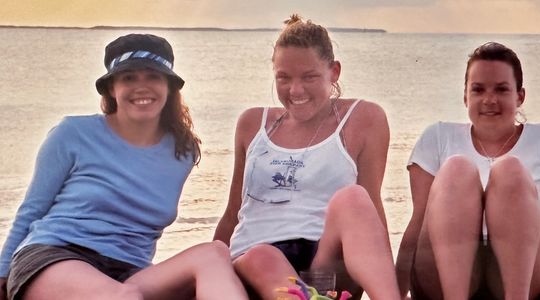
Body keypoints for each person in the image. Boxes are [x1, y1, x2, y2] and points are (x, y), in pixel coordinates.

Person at [0, 33, 248, 300]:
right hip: (55, 256)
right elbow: (32, 210)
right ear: (111, 88)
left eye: (153, 76)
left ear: (169, 86)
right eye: (129, 77)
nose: (141, 86)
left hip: (129, 272)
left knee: (214, 253)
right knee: (123, 297)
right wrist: (2, 274)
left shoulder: (183, 151)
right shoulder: (72, 133)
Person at [213, 15, 402, 300]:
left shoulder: (364, 118)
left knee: (354, 198)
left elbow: (371, 212)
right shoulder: (253, 123)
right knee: (263, 256)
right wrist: (211, 270)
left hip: (324, 266)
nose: (295, 90)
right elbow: (233, 212)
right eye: (284, 78)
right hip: (255, 265)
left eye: (309, 77)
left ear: (334, 71)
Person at [395, 41, 540, 300]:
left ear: (520, 96)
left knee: (511, 171)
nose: (489, 100)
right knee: (457, 169)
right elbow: (417, 223)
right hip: (442, 271)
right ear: (465, 96)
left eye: (502, 89)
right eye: (478, 90)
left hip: (523, 273)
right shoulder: (438, 137)